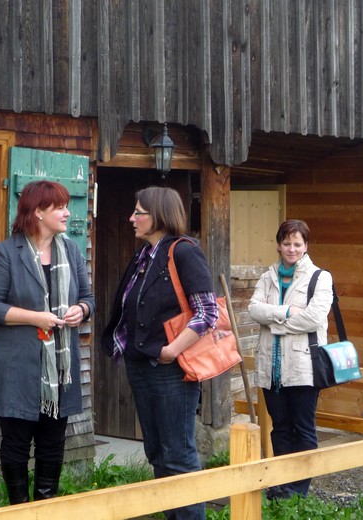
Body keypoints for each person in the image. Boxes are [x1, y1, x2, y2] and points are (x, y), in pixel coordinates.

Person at [101, 186, 217, 520]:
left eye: (138, 212)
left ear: (159, 216)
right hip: (141, 365)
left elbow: (207, 313)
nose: (131, 218)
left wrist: (171, 350)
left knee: (177, 454)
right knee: (156, 452)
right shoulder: (144, 255)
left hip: (170, 369)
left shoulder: (184, 252)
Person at [0, 180, 95, 505]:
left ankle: (45, 507)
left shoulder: (71, 251)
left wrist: (82, 310)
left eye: (66, 206)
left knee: (52, 444)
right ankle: (19, 509)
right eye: (60, 207)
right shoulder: (6, 253)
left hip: (60, 369)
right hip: (16, 366)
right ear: (38, 212)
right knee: (16, 444)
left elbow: (88, 297)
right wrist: (36, 318)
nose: (67, 213)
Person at [248, 219, 333, 499]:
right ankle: (281, 485)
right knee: (280, 428)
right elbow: (253, 310)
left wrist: (273, 322)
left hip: (302, 367)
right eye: (286, 243)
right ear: (278, 245)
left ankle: (298, 491)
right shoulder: (267, 277)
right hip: (271, 368)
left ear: (306, 246)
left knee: (303, 429)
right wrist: (286, 312)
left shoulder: (320, 278)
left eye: (297, 244)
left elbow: (313, 318)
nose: (291, 249)